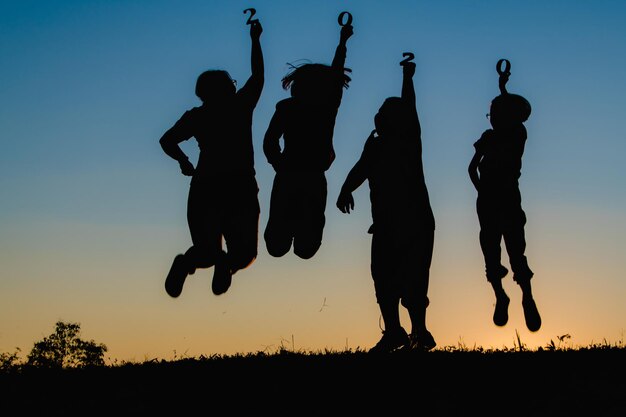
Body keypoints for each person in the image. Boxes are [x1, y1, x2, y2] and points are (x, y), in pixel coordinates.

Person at [336, 56, 436, 353]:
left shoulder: (408, 142)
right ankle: (394, 331)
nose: (378, 115)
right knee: (383, 279)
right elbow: (359, 170)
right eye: (379, 111)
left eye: (385, 112)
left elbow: (410, 106)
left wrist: (408, 77)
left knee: (414, 280)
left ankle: (418, 331)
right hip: (385, 225)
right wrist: (345, 189)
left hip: (415, 223)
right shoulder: (375, 147)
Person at [159, 18, 264, 298]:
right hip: (239, 186)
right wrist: (255, 40)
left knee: (205, 251)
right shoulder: (240, 107)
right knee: (244, 254)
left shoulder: (197, 116)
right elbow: (258, 77)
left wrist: (184, 161)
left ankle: (187, 262)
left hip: (205, 186)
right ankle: (227, 266)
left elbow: (166, 140)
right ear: (229, 88)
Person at [262, 17, 353, 260]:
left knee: (281, 246)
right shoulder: (324, 108)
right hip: (308, 177)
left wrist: (278, 163)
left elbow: (269, 141)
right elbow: (335, 78)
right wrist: (342, 43)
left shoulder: (290, 109)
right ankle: (295, 235)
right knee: (300, 247)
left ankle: (290, 235)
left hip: (292, 175)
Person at [468, 59, 541, 332]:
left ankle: (527, 297)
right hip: (490, 202)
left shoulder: (516, 135)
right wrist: (482, 193)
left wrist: (502, 88)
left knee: (515, 251)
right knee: (491, 255)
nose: (493, 118)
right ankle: (501, 296)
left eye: (496, 114)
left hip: (507, 200)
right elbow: (471, 168)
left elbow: (511, 113)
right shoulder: (488, 137)